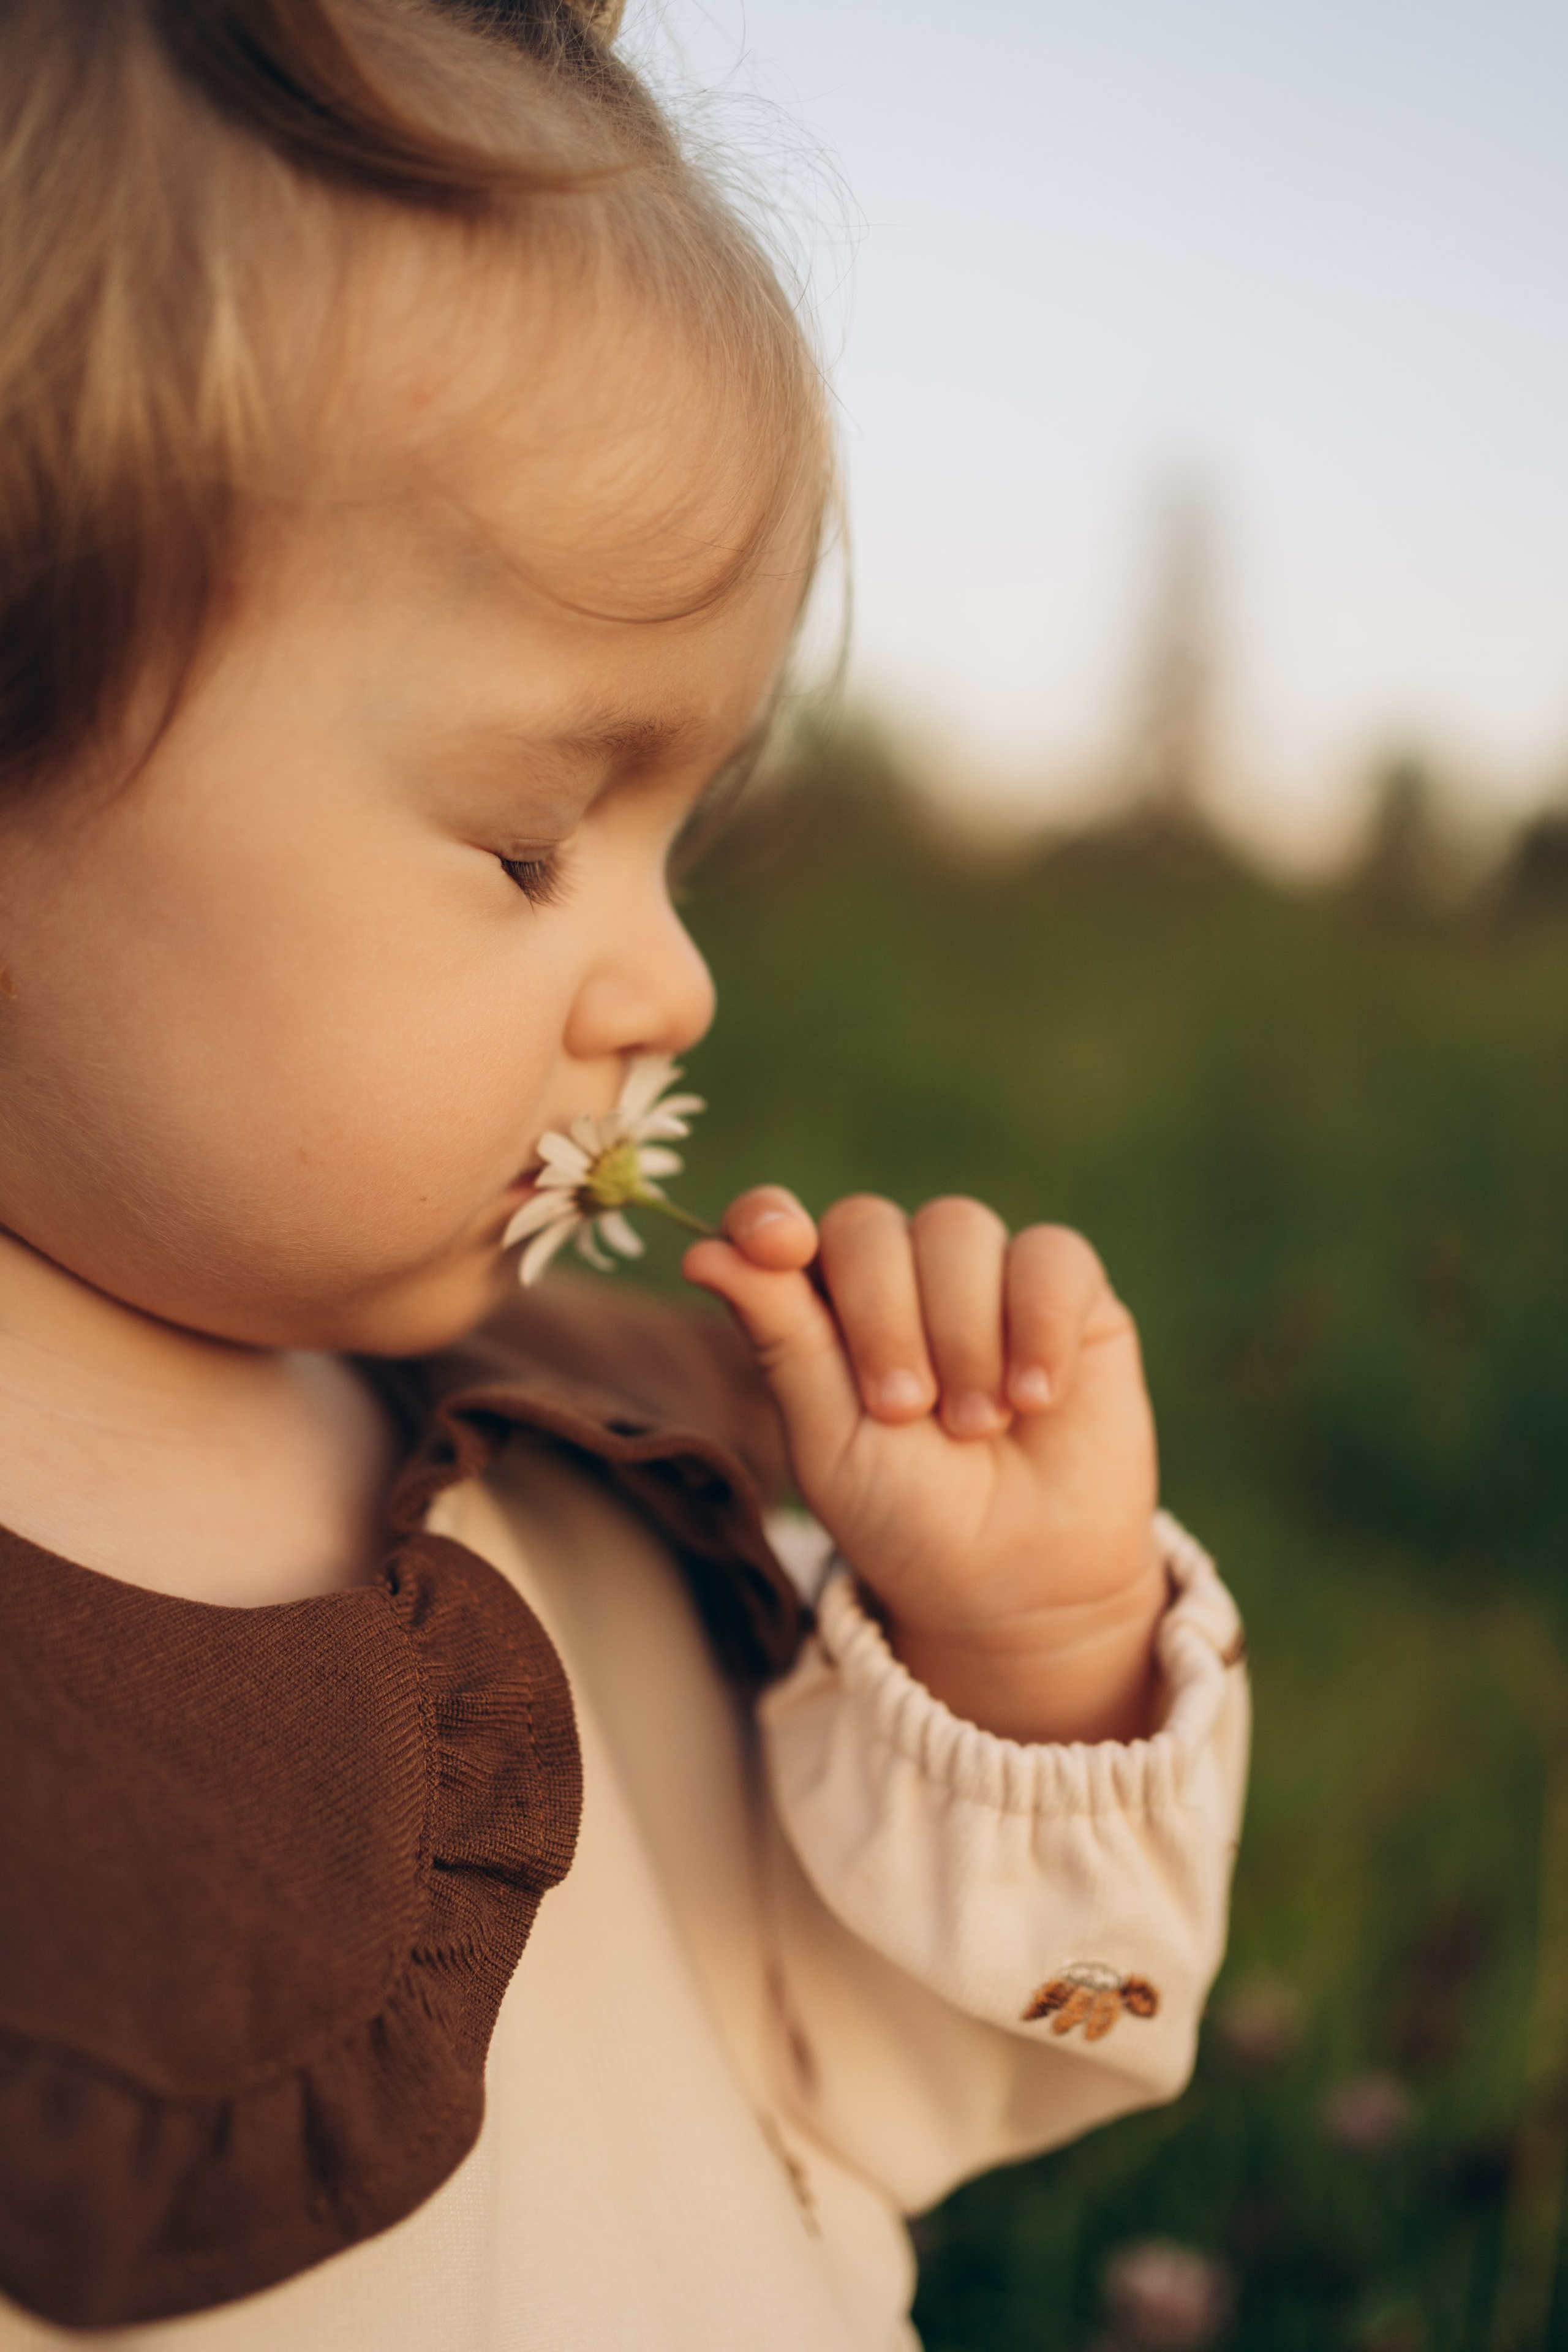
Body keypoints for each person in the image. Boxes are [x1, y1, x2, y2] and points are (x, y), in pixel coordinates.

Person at [0, 3, 1250, 2345]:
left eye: (685, 838)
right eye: (527, 838)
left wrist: (1023, 1661)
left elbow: (917, 2084)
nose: (665, 982)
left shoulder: (603, 1454)